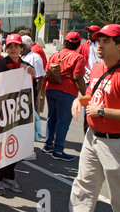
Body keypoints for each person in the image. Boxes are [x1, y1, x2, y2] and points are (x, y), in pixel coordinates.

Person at [66, 24, 120, 212]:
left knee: (118, 195)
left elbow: (100, 106)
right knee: (83, 185)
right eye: (99, 41)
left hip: (114, 144)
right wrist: (80, 100)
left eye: (106, 41)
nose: (99, 45)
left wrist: (102, 111)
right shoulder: (97, 67)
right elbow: (92, 95)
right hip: (92, 138)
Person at [0, 33, 35, 196]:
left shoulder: (26, 66)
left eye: (16, 46)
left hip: (19, 114)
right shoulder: (2, 63)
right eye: (10, 46)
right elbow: (0, 83)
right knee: (1, 145)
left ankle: (9, 176)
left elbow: (31, 89)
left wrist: (31, 72)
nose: (13, 49)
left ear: (22, 49)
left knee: (15, 145)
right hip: (3, 112)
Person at [43, 32, 86, 161]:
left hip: (51, 88)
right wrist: (86, 94)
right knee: (63, 121)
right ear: (78, 44)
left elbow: (47, 70)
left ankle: (48, 144)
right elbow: (78, 77)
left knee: (52, 118)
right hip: (66, 91)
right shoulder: (78, 57)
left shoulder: (56, 54)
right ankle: (58, 150)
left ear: (65, 42)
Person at [77, 25, 102, 133]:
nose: (89, 34)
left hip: (102, 78)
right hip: (88, 79)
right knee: (87, 106)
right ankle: (87, 131)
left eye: (91, 32)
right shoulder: (84, 45)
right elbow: (79, 57)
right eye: (88, 32)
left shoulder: (101, 45)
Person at [21, 35, 46, 111]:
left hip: (31, 93)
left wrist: (34, 95)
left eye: (23, 45)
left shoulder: (35, 57)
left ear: (29, 46)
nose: (21, 48)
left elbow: (39, 78)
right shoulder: (20, 56)